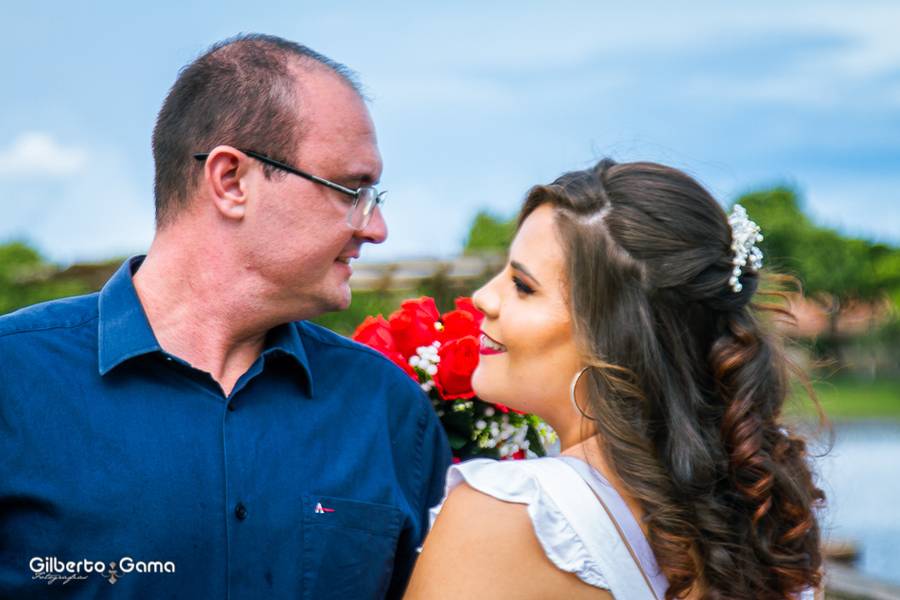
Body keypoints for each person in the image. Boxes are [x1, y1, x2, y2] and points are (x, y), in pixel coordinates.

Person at [0, 34, 450, 598]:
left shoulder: (387, 410)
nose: (375, 228)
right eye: (350, 191)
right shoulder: (14, 382)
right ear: (231, 181)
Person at [406, 159, 823, 599]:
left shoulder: (507, 512)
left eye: (523, 286)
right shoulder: (762, 514)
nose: (483, 297)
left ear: (612, 337)